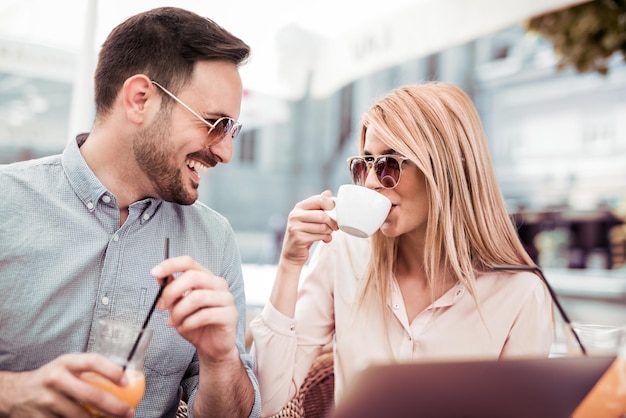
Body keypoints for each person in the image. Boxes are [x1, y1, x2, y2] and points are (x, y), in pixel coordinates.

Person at [0, 7, 260, 418]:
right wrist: (12, 393)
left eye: (232, 130)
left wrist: (221, 359)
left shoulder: (215, 240)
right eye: (215, 123)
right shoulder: (5, 203)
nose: (225, 152)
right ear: (140, 100)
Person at [250, 82, 555, 416]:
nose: (370, 182)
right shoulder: (344, 252)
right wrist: (291, 263)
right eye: (365, 163)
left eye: (390, 164)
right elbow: (268, 400)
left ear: (448, 170)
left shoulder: (521, 294)